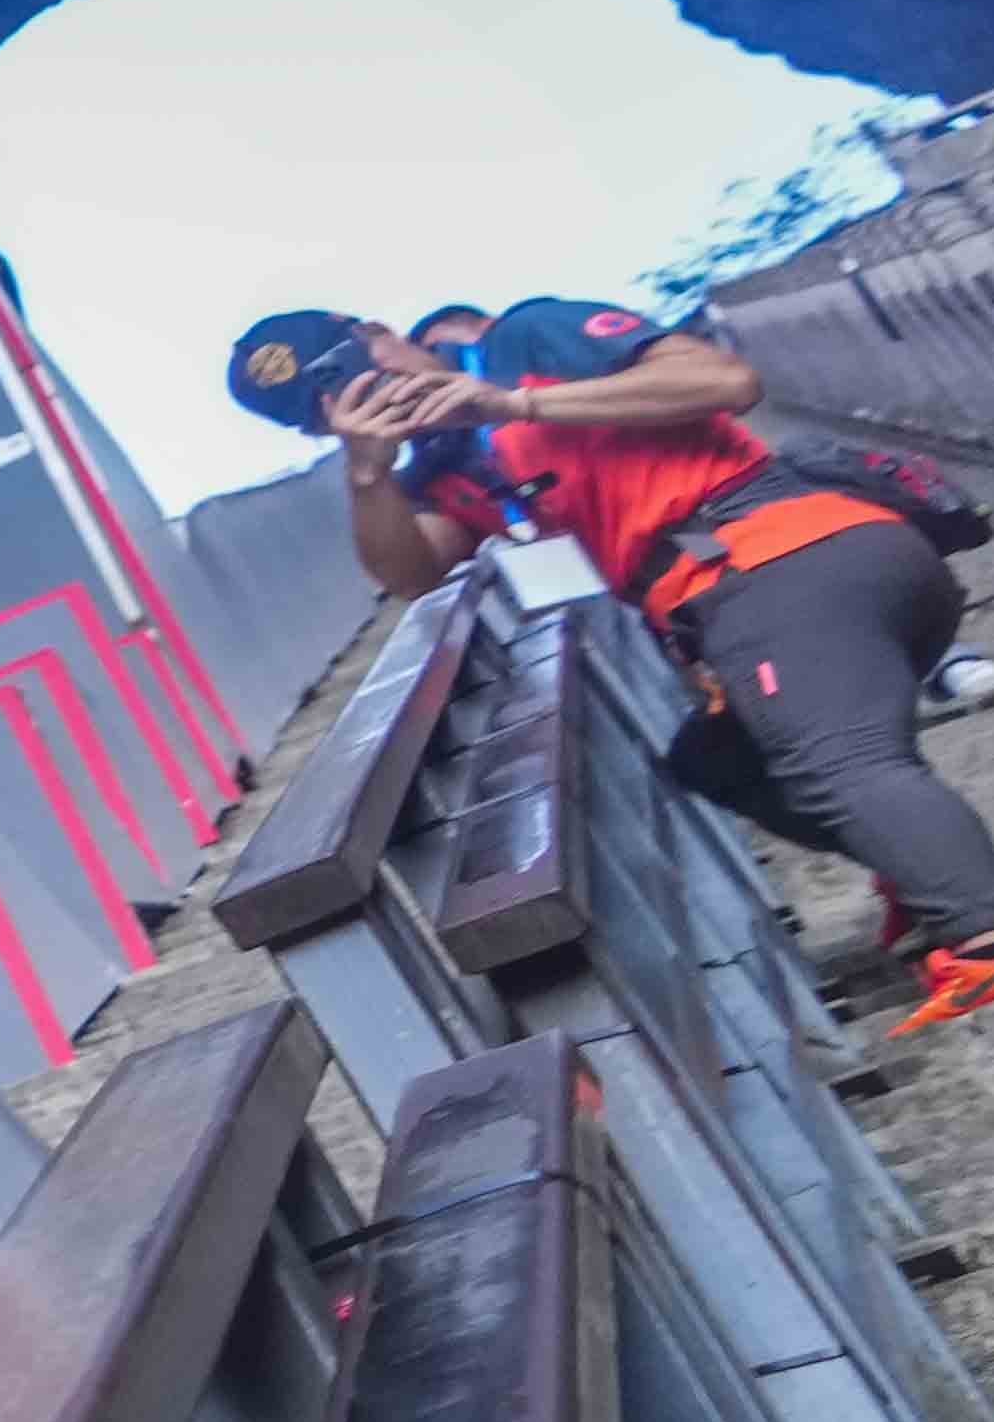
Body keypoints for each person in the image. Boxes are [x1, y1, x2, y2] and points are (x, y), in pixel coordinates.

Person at [229, 296, 994, 1033]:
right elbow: (416, 576)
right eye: (321, 405)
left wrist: (513, 405)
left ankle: (977, 939)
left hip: (779, 554)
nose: (360, 388)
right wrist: (367, 472)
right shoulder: (435, 468)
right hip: (726, 601)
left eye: (348, 364)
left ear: (376, 331)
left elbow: (726, 382)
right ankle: (922, 866)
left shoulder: (525, 340)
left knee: (839, 762)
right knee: (717, 760)